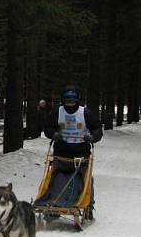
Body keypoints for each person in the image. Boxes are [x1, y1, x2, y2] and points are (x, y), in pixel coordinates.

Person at [39, 86, 103, 219]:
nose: (70, 102)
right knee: (55, 178)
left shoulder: (85, 113)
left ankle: (88, 205)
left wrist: (92, 137)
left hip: (81, 154)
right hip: (61, 153)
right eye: (67, 100)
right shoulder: (57, 112)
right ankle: (53, 203)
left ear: (77, 100)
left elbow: (97, 129)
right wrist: (54, 134)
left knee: (85, 179)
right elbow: (48, 128)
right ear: (63, 100)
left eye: (72, 99)